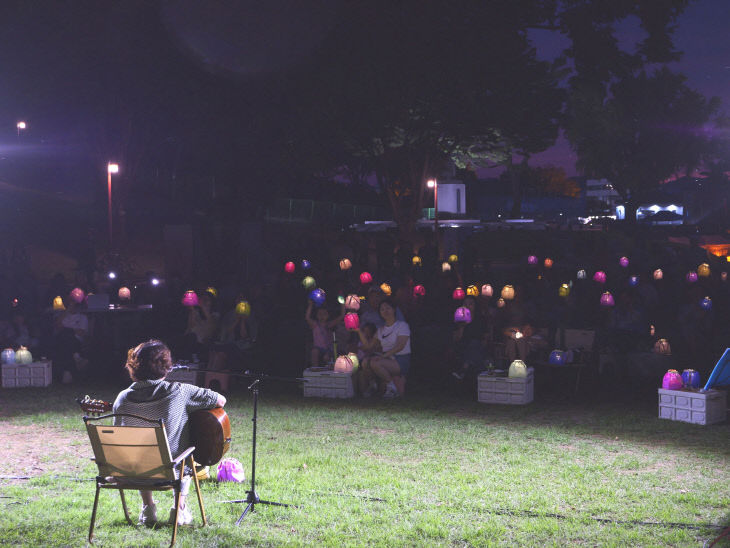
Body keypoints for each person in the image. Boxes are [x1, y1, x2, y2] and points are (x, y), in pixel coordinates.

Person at [113, 339, 226, 527]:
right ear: (166, 366)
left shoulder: (122, 398)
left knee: (141, 452)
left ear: (135, 366)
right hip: (168, 473)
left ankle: (148, 509)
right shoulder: (178, 392)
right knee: (184, 453)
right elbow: (220, 400)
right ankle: (178, 509)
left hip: (130, 472)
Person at [360, 299, 411, 398]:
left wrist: (383, 356)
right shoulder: (381, 330)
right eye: (382, 309)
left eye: (388, 308)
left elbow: (400, 346)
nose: (385, 311)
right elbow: (368, 346)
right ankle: (373, 385)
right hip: (386, 359)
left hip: (400, 360)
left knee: (375, 363)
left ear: (394, 310)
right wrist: (358, 331)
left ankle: (392, 388)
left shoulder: (402, 326)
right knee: (365, 362)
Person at [305, 299, 345, 366]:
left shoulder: (329, 324)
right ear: (317, 316)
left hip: (328, 349)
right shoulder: (315, 325)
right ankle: (315, 369)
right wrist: (310, 306)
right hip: (318, 348)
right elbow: (307, 318)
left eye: (324, 314)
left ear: (328, 316)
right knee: (314, 352)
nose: (322, 316)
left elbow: (341, 316)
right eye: (320, 314)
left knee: (326, 357)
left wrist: (342, 304)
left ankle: (327, 372)